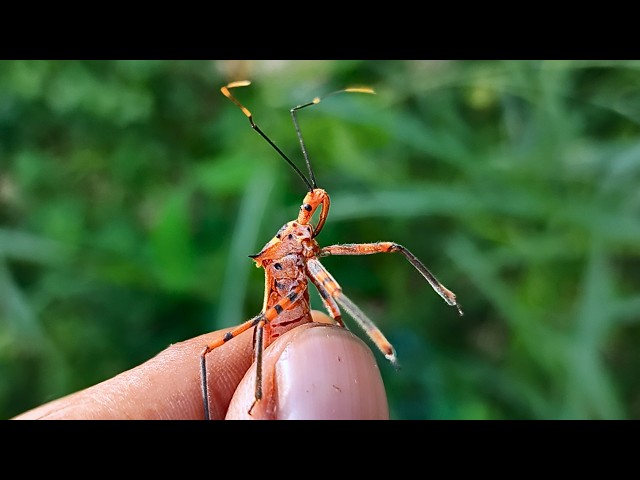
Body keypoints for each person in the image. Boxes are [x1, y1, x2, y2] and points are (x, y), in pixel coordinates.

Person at [12, 311, 390, 420]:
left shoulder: (304, 241)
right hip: (273, 323)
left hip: (296, 329)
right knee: (210, 350)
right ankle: (258, 392)